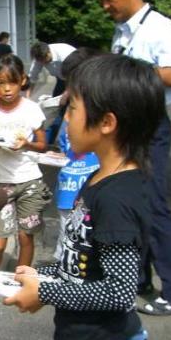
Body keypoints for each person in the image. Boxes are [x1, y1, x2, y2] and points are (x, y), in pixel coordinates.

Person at [6, 54, 162, 340]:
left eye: (72, 109)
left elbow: (117, 292)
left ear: (107, 122)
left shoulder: (119, 196)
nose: (65, 120)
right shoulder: (100, 178)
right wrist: (44, 274)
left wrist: (46, 292)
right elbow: (83, 265)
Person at [93, 0, 171, 316]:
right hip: (127, 129)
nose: (106, 6)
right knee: (132, 202)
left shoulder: (160, 28)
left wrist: (130, 72)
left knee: (153, 204)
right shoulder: (122, 31)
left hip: (151, 127)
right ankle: (140, 278)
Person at [0, 54, 50, 279]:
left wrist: (26, 144)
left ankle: (21, 277)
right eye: (1, 83)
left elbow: (43, 145)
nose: (7, 89)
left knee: (26, 236)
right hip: (1, 184)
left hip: (30, 182)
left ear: (22, 80)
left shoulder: (32, 109)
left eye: (12, 82)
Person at [51, 48, 101, 261]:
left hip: (90, 187)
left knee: (89, 239)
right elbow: (64, 142)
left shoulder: (101, 112)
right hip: (69, 185)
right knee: (67, 235)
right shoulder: (72, 109)